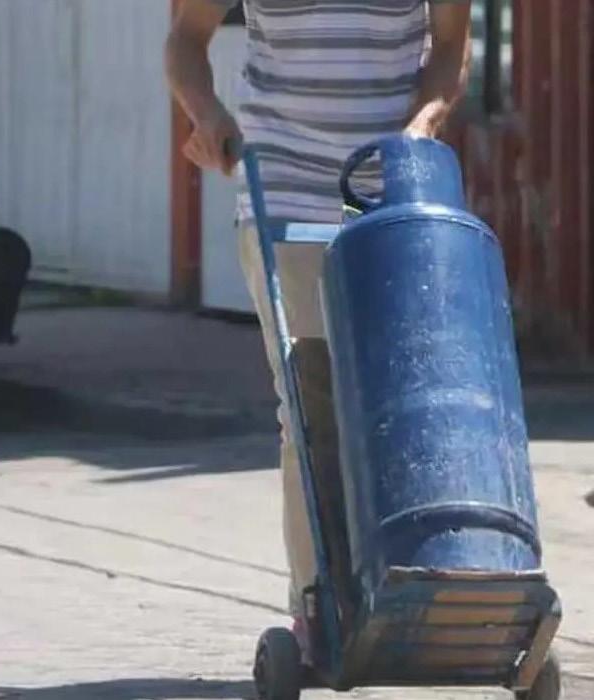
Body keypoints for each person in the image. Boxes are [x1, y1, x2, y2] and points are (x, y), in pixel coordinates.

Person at [165, 0, 471, 661]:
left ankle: (411, 580)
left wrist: (423, 125)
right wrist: (207, 114)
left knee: (406, 401)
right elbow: (186, 40)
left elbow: (451, 46)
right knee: (311, 403)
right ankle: (321, 604)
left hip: (393, 187)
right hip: (283, 189)